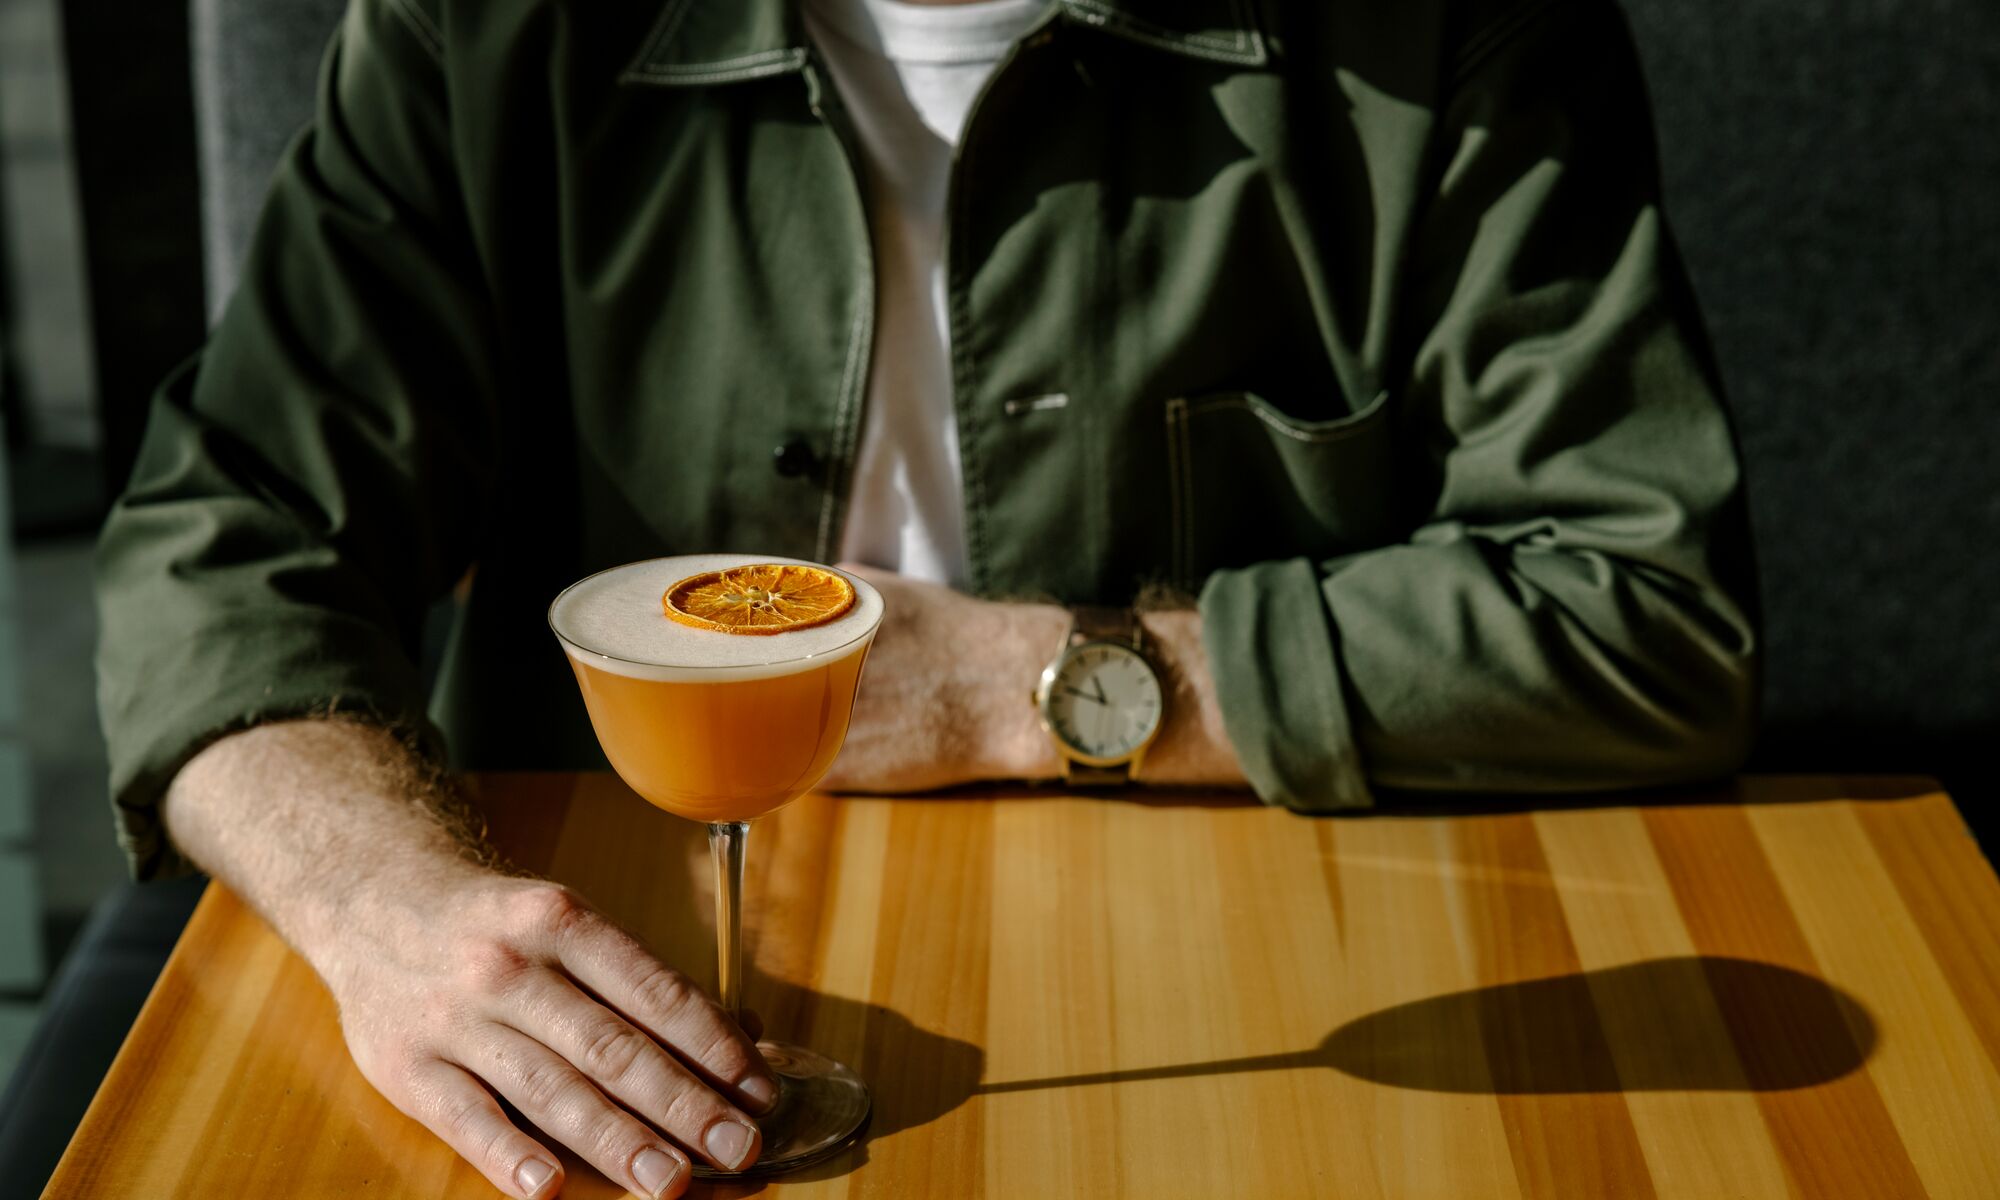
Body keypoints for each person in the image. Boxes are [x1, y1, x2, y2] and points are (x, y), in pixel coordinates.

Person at [94, 0, 1757, 1194]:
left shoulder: (1451, 31)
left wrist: (1023, 684)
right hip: (611, 987)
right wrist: (387, 911)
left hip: (1268, 974)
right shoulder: (486, 33)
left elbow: (1649, 606)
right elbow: (221, 537)